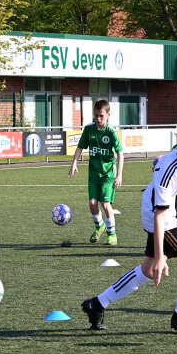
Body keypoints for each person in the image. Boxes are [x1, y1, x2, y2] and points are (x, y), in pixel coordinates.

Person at [81, 120, 177, 335]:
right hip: (158, 216)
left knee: (149, 270)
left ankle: (97, 303)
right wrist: (161, 256)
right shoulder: (169, 170)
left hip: (168, 211)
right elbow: (160, 215)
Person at [70, 100, 125, 245]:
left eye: (101, 116)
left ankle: (112, 234)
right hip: (93, 174)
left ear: (108, 114)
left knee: (105, 204)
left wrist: (119, 175)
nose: (98, 119)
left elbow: (120, 154)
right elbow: (80, 147)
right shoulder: (89, 129)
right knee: (92, 203)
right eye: (96, 116)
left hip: (108, 175)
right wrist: (74, 162)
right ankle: (100, 226)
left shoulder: (111, 132)